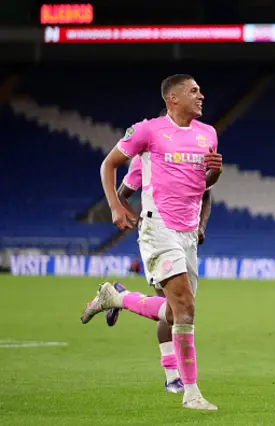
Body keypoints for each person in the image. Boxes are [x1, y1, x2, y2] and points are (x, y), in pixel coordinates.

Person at [80, 74, 223, 410]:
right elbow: (109, 164)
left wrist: (214, 174)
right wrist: (116, 206)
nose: (201, 95)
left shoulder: (208, 134)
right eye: (193, 91)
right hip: (158, 227)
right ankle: (190, 392)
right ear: (172, 98)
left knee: (174, 314)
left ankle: (117, 297)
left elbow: (205, 188)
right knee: (186, 310)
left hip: (188, 233)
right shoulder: (147, 131)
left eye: (201, 90)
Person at [104, 153, 213, 394]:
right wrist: (132, 216)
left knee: (179, 310)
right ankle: (172, 376)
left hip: (186, 236)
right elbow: (123, 191)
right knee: (172, 307)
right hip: (158, 236)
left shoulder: (193, 150)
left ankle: (121, 297)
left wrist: (201, 226)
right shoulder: (146, 156)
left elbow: (206, 194)